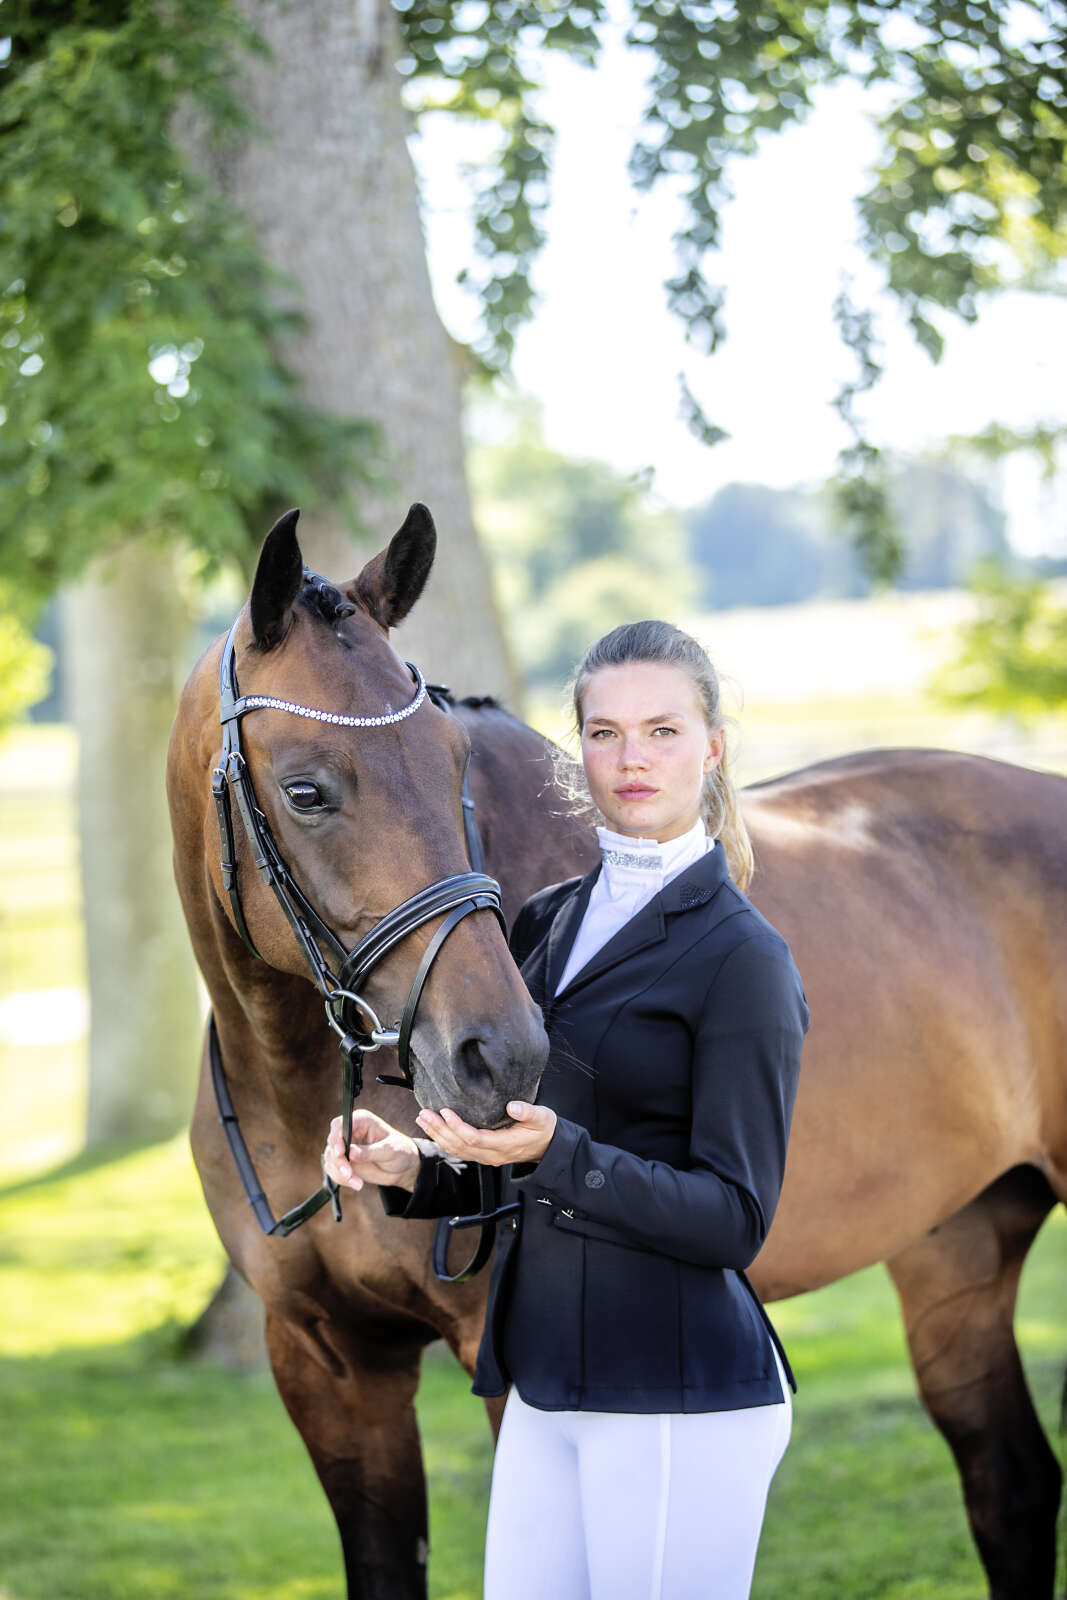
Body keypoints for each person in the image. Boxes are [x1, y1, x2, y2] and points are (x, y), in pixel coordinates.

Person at [323, 619, 809, 1600]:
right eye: (603, 732)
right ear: (575, 746)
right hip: (544, 1379)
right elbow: (520, 1153)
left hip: (676, 1392)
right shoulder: (545, 920)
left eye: (661, 730)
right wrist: (414, 1164)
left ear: (711, 747)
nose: (630, 758)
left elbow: (732, 1216)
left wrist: (559, 1153)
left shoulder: (742, 959)